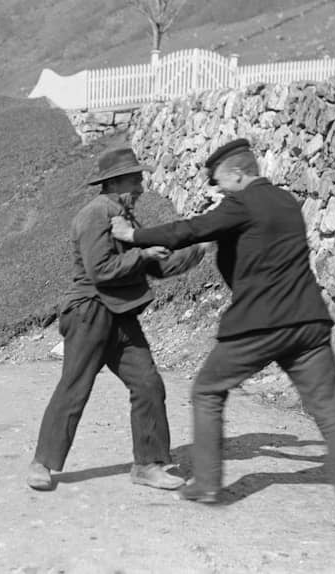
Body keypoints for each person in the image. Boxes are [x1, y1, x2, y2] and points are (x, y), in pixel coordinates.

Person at [110, 138, 335, 530]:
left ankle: (207, 485)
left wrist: (133, 237)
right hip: (308, 325)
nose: (219, 193)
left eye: (220, 183)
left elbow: (191, 229)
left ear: (238, 173)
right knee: (331, 412)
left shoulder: (242, 202)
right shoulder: (286, 202)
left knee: (207, 392)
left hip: (259, 324)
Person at [27, 147, 207, 492]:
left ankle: (149, 464)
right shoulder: (94, 215)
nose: (141, 187)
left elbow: (158, 265)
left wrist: (199, 248)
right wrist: (141, 253)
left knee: (148, 384)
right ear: (117, 182)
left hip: (121, 316)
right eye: (136, 179)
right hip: (89, 313)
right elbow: (101, 271)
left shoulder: (124, 218)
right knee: (75, 387)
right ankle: (43, 464)